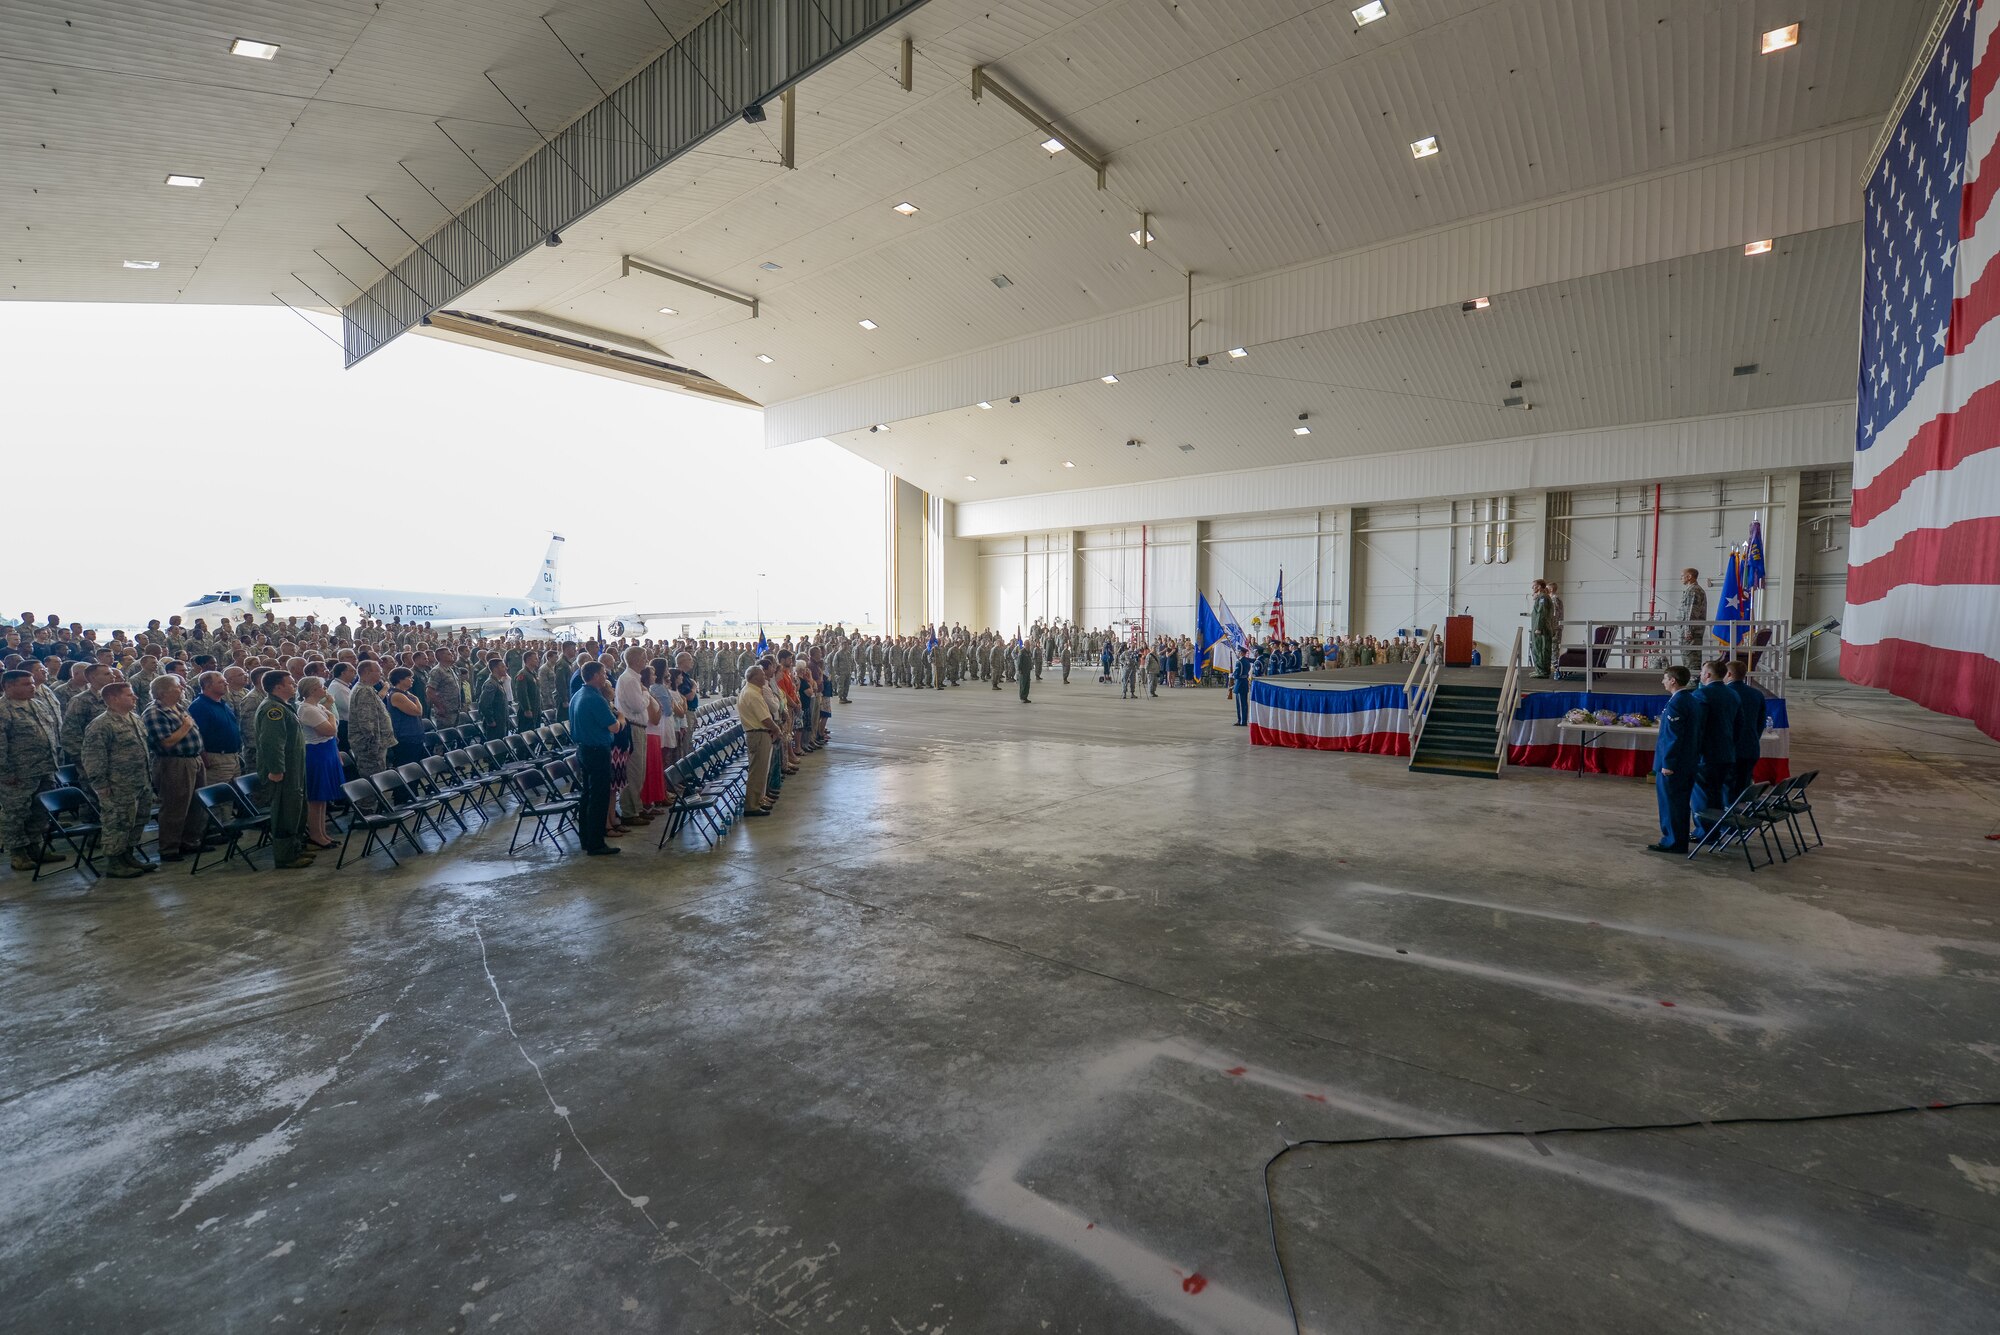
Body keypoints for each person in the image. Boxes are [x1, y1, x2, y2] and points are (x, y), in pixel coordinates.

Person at [83, 682, 157, 878]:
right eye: (130, 695)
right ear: (114, 698)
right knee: (117, 823)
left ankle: (128, 856)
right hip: (118, 784)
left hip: (140, 780)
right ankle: (115, 862)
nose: (135, 697)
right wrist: (100, 784)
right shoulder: (101, 724)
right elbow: (93, 756)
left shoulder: (134, 718)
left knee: (138, 820)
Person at [0, 669, 63, 871]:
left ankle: (35, 847)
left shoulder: (37, 704)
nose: (32, 686)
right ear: (9, 686)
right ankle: (18, 853)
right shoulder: (3, 709)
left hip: (44, 767)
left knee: (40, 810)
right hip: (19, 772)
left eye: (32, 683)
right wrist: (6, 772)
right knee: (16, 814)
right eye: (26, 684)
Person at [142, 674, 205, 862]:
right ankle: (169, 847)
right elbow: (166, 742)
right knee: (175, 806)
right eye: (178, 686)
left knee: (196, 805)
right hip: (174, 763)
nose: (183, 688)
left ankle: (190, 841)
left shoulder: (180, 707)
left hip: (193, 759)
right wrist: (185, 727)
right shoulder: (154, 712)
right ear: (164, 692)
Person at [256, 670, 312, 868]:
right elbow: (271, 742)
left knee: (296, 807)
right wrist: (276, 769)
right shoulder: (273, 709)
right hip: (283, 769)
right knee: (284, 810)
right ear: (278, 686)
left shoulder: (284, 706)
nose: (294, 685)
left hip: (294, 766)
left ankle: (297, 847)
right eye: (290, 683)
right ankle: (285, 856)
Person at [1648, 665, 1705, 855]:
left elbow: (1673, 737)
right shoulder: (1690, 699)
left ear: (1673, 680)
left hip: (1676, 765)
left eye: (1665, 678)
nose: (1663, 681)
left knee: (1671, 804)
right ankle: (1676, 839)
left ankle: (1673, 841)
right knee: (1678, 803)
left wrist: (1668, 764)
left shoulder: (1677, 703)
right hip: (1688, 761)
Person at [568, 662, 619, 854]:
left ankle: (587, 839)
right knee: (598, 797)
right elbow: (613, 726)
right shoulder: (594, 698)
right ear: (596, 675)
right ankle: (596, 843)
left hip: (584, 750)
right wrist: (620, 718)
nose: (606, 676)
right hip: (597, 751)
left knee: (587, 796)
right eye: (603, 673)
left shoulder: (578, 695)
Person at [1689, 659, 1740, 839]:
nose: (1700, 675)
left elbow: (1698, 727)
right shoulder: (1732, 694)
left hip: (1707, 754)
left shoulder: (1701, 695)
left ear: (1708, 675)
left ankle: (1704, 832)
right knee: (1717, 793)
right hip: (1727, 751)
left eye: (1702, 672)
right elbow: (1737, 724)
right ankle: (1715, 829)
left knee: (1701, 794)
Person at [296, 676, 343, 851]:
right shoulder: (307, 709)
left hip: (327, 750)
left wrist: (329, 714)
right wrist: (331, 715)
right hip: (316, 753)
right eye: (322, 687)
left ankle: (322, 833)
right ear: (313, 689)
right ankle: (315, 835)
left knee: (323, 798)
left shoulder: (318, 706)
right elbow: (329, 730)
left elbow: (331, 730)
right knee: (316, 798)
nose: (325, 690)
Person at [1723, 659, 1767, 803]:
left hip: (1730, 749)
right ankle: (1742, 818)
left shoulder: (1726, 694)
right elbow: (1761, 723)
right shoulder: (1757, 694)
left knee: (1727, 790)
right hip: (1751, 747)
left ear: (1729, 674)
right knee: (1744, 788)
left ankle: (1728, 821)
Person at [190, 670, 243, 789]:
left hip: (233, 757)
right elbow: (197, 735)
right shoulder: (200, 706)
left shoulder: (222, 703)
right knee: (220, 801)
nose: (226, 684)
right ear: (208, 686)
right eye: (221, 682)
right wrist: (205, 759)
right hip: (216, 759)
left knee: (235, 798)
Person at [736, 665, 778, 817]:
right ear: (754, 678)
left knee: (761, 770)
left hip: (758, 733)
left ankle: (758, 800)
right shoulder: (751, 694)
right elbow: (765, 718)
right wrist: (776, 729)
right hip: (758, 734)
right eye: (762, 674)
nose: (765, 676)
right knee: (757, 771)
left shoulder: (752, 691)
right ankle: (751, 805)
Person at [347, 659, 394, 780]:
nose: (381, 674)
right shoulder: (363, 691)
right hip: (369, 748)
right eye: (378, 671)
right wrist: (374, 745)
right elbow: (366, 722)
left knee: (378, 778)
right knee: (373, 780)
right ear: (367, 673)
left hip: (373, 745)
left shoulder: (366, 688)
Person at [385, 667, 428, 767]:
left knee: (417, 765)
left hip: (414, 734)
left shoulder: (406, 694)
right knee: (408, 765)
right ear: (400, 679)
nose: (412, 680)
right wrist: (416, 698)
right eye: (409, 677)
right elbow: (417, 711)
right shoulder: (397, 695)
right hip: (406, 736)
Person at [1676, 568, 1707, 668]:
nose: (1681, 578)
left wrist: (1687, 630)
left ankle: (1693, 683)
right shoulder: (1690, 590)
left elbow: (1691, 612)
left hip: (1690, 633)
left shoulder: (1693, 590)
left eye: (1682, 576)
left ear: (1689, 577)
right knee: (1688, 661)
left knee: (1691, 662)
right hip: (1687, 631)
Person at [476, 658, 512, 739]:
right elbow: (484, 704)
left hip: (501, 720)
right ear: (495, 669)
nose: (506, 668)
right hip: (496, 721)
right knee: (497, 747)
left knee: (503, 745)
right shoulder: (491, 684)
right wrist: (490, 720)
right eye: (503, 666)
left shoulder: (497, 682)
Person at [1528, 580, 1555, 678]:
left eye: (1534, 586)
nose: (1532, 588)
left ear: (1539, 587)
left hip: (1542, 628)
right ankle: (1539, 670)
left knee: (1541, 649)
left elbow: (1541, 612)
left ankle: (1542, 672)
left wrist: (1538, 627)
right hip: (1542, 627)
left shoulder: (1543, 597)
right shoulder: (1541, 597)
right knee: (1539, 649)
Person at [1231, 648, 1251, 726]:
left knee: (1240, 704)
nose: (1238, 653)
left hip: (1240, 684)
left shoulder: (1239, 662)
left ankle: (1242, 721)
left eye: (1239, 652)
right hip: (1245, 682)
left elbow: (1237, 675)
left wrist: (1232, 675)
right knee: (1244, 703)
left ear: (1242, 653)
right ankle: (1243, 720)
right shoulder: (1247, 661)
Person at [1016, 639, 1033, 703]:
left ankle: (1025, 697)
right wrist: (1019, 670)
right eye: (1028, 644)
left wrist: (1030, 667)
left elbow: (1029, 660)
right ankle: (1022, 697)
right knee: (1023, 684)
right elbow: (1019, 662)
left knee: (1027, 684)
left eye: (1029, 644)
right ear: (1025, 644)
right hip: (1023, 671)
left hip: (1027, 670)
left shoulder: (1028, 651)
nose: (1029, 646)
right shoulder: (1022, 652)